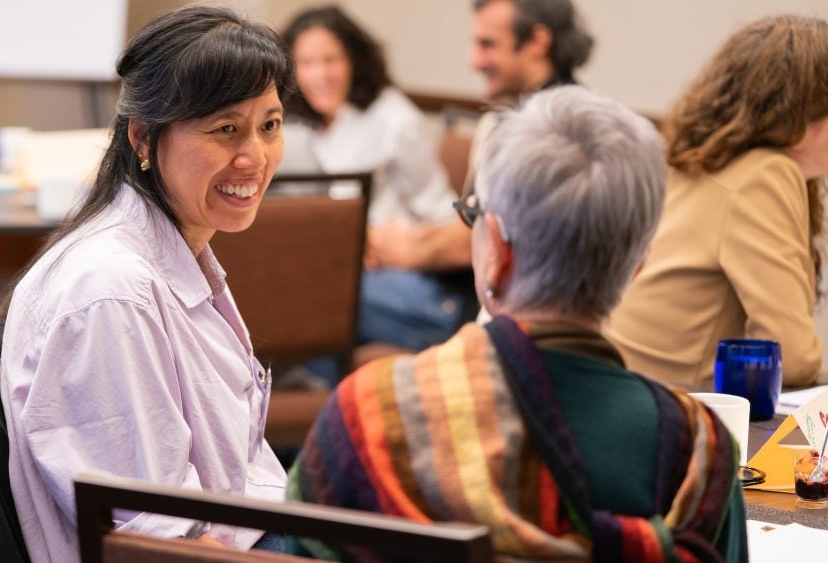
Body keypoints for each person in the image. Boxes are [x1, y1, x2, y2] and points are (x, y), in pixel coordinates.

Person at [286, 87, 746, 561]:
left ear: (498, 254)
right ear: (636, 268)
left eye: (473, 218)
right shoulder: (699, 453)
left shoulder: (369, 417)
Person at [0, 6, 293, 560]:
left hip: (243, 528)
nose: (255, 157)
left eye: (269, 126)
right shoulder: (110, 289)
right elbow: (158, 540)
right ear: (142, 138)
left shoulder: (176, 249)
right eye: (226, 129)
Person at [607, 15, 828, 389]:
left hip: (625, 386)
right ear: (805, 112)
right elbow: (790, 359)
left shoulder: (696, 159)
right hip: (674, 409)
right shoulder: (764, 175)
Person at [281, 6, 465, 354]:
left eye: (330, 60)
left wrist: (401, 244)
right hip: (345, 270)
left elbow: (441, 210)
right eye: (306, 63)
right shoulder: (310, 126)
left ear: (353, 59)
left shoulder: (395, 120)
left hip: (403, 280)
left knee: (292, 295)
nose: (318, 74)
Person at [366, 0, 594, 275]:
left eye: (487, 44)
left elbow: (482, 239)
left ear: (537, 41)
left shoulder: (554, 132)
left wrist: (406, 249)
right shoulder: (565, 111)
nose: (473, 61)